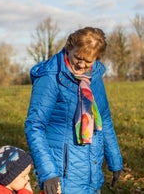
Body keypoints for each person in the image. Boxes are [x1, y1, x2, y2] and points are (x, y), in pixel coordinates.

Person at [24, 27, 123, 194]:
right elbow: (35, 125)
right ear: (69, 47)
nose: (81, 64)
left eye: (88, 61)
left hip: (92, 168)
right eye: (78, 57)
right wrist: (48, 173)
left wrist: (114, 160)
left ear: (96, 59)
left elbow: (104, 118)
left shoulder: (95, 77)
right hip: (62, 173)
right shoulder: (51, 76)